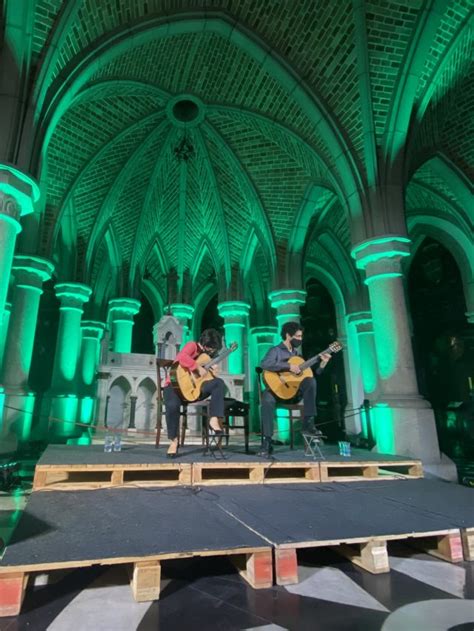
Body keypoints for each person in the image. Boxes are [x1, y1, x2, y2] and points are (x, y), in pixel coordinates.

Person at [258, 321, 332, 457]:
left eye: (301, 336)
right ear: (288, 335)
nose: (300, 339)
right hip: (276, 390)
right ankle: (267, 442)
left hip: (294, 392)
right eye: (297, 336)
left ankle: (308, 422)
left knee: (310, 381)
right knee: (266, 399)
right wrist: (288, 367)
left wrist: (323, 363)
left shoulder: (297, 356)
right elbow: (265, 364)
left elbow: (314, 375)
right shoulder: (275, 350)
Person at [163, 328, 225, 457]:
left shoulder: (208, 358)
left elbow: (204, 379)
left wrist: (213, 372)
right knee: (172, 406)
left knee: (218, 383)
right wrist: (196, 366)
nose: (213, 351)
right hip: (175, 386)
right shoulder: (192, 345)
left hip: (194, 390)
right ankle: (173, 441)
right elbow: (181, 357)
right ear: (207, 345)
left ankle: (214, 418)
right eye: (212, 348)